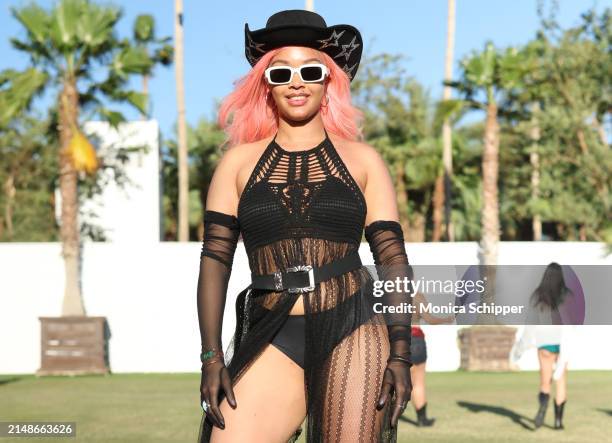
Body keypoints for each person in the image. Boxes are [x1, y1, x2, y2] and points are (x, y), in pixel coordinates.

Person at [196, 10, 415, 443]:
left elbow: (392, 259)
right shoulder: (237, 165)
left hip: (353, 328)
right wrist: (210, 357)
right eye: (282, 72)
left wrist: (402, 355)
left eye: (310, 70)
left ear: (328, 80)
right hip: (270, 329)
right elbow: (215, 260)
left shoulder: (364, 161)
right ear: (267, 83)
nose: (297, 82)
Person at [510, 262, 575, 431]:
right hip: (562, 343)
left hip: (545, 342)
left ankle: (542, 409)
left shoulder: (539, 296)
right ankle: (558, 422)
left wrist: (520, 349)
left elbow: (531, 325)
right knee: (560, 381)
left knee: (545, 380)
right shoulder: (567, 296)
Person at [409, 292, 455, 427]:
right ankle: (422, 420)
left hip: (394, 340)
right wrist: (446, 319)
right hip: (415, 338)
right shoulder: (417, 296)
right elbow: (429, 319)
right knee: (418, 382)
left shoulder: (387, 295)